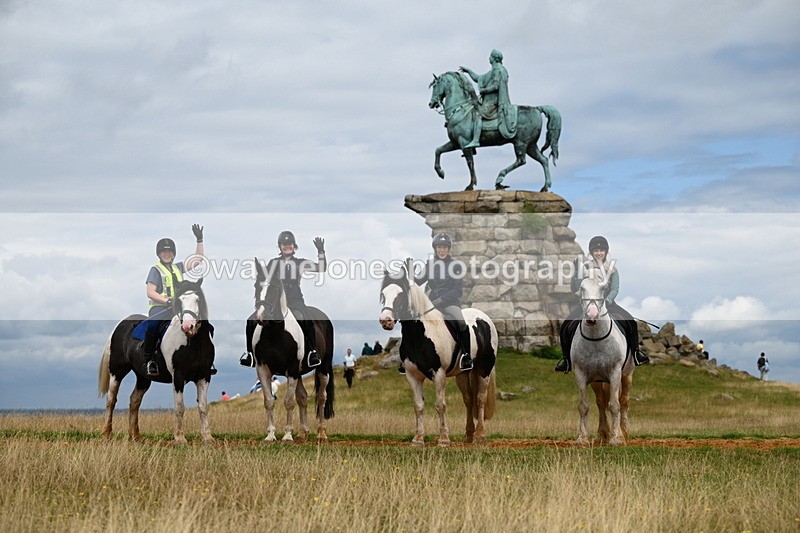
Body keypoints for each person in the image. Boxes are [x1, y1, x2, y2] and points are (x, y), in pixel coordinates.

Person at [556, 235, 650, 373]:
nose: (599, 253)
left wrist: (608, 300)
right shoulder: (584, 267)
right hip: (587, 305)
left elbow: (615, 289)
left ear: (606, 252)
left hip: (608, 304)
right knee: (565, 326)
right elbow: (575, 288)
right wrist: (575, 273)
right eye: (596, 250)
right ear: (592, 252)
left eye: (601, 250)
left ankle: (636, 354)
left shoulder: (612, 269)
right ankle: (567, 360)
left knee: (631, 322)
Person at [240, 230, 327, 368]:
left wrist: (321, 252)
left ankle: (312, 352)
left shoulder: (300, 263)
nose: (287, 246)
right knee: (251, 320)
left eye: (290, 244)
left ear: (294, 246)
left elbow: (321, 268)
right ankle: (250, 354)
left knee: (305, 320)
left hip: (295, 300)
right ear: (279, 246)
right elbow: (265, 279)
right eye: (284, 244)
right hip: (275, 302)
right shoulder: (273, 263)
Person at [141, 224, 207, 378]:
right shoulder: (155, 270)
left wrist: (199, 239)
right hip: (160, 307)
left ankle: (204, 358)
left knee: (201, 323)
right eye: (164, 251)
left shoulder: (178, 267)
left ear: (174, 253)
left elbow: (197, 261)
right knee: (153, 324)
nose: (167, 253)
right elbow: (150, 292)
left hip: (179, 307)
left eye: (169, 251)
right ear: (159, 253)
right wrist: (167, 300)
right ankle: (149, 360)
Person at [403, 233, 473, 374]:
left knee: (461, 322)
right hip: (431, 303)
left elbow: (457, 290)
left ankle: (466, 356)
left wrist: (441, 300)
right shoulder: (430, 265)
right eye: (439, 247)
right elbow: (418, 282)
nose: (442, 250)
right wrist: (410, 274)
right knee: (412, 320)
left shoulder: (456, 266)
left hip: (449, 303)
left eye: (445, 247)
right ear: (435, 249)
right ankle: (408, 357)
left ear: (449, 249)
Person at [459, 49, 517, 149]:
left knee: (477, 114)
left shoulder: (498, 70)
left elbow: (496, 86)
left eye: (490, 56)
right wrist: (468, 71)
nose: (488, 58)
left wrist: (483, 90)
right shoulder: (494, 70)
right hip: (490, 100)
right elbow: (479, 78)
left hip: (493, 101)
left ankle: (476, 140)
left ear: (494, 58)